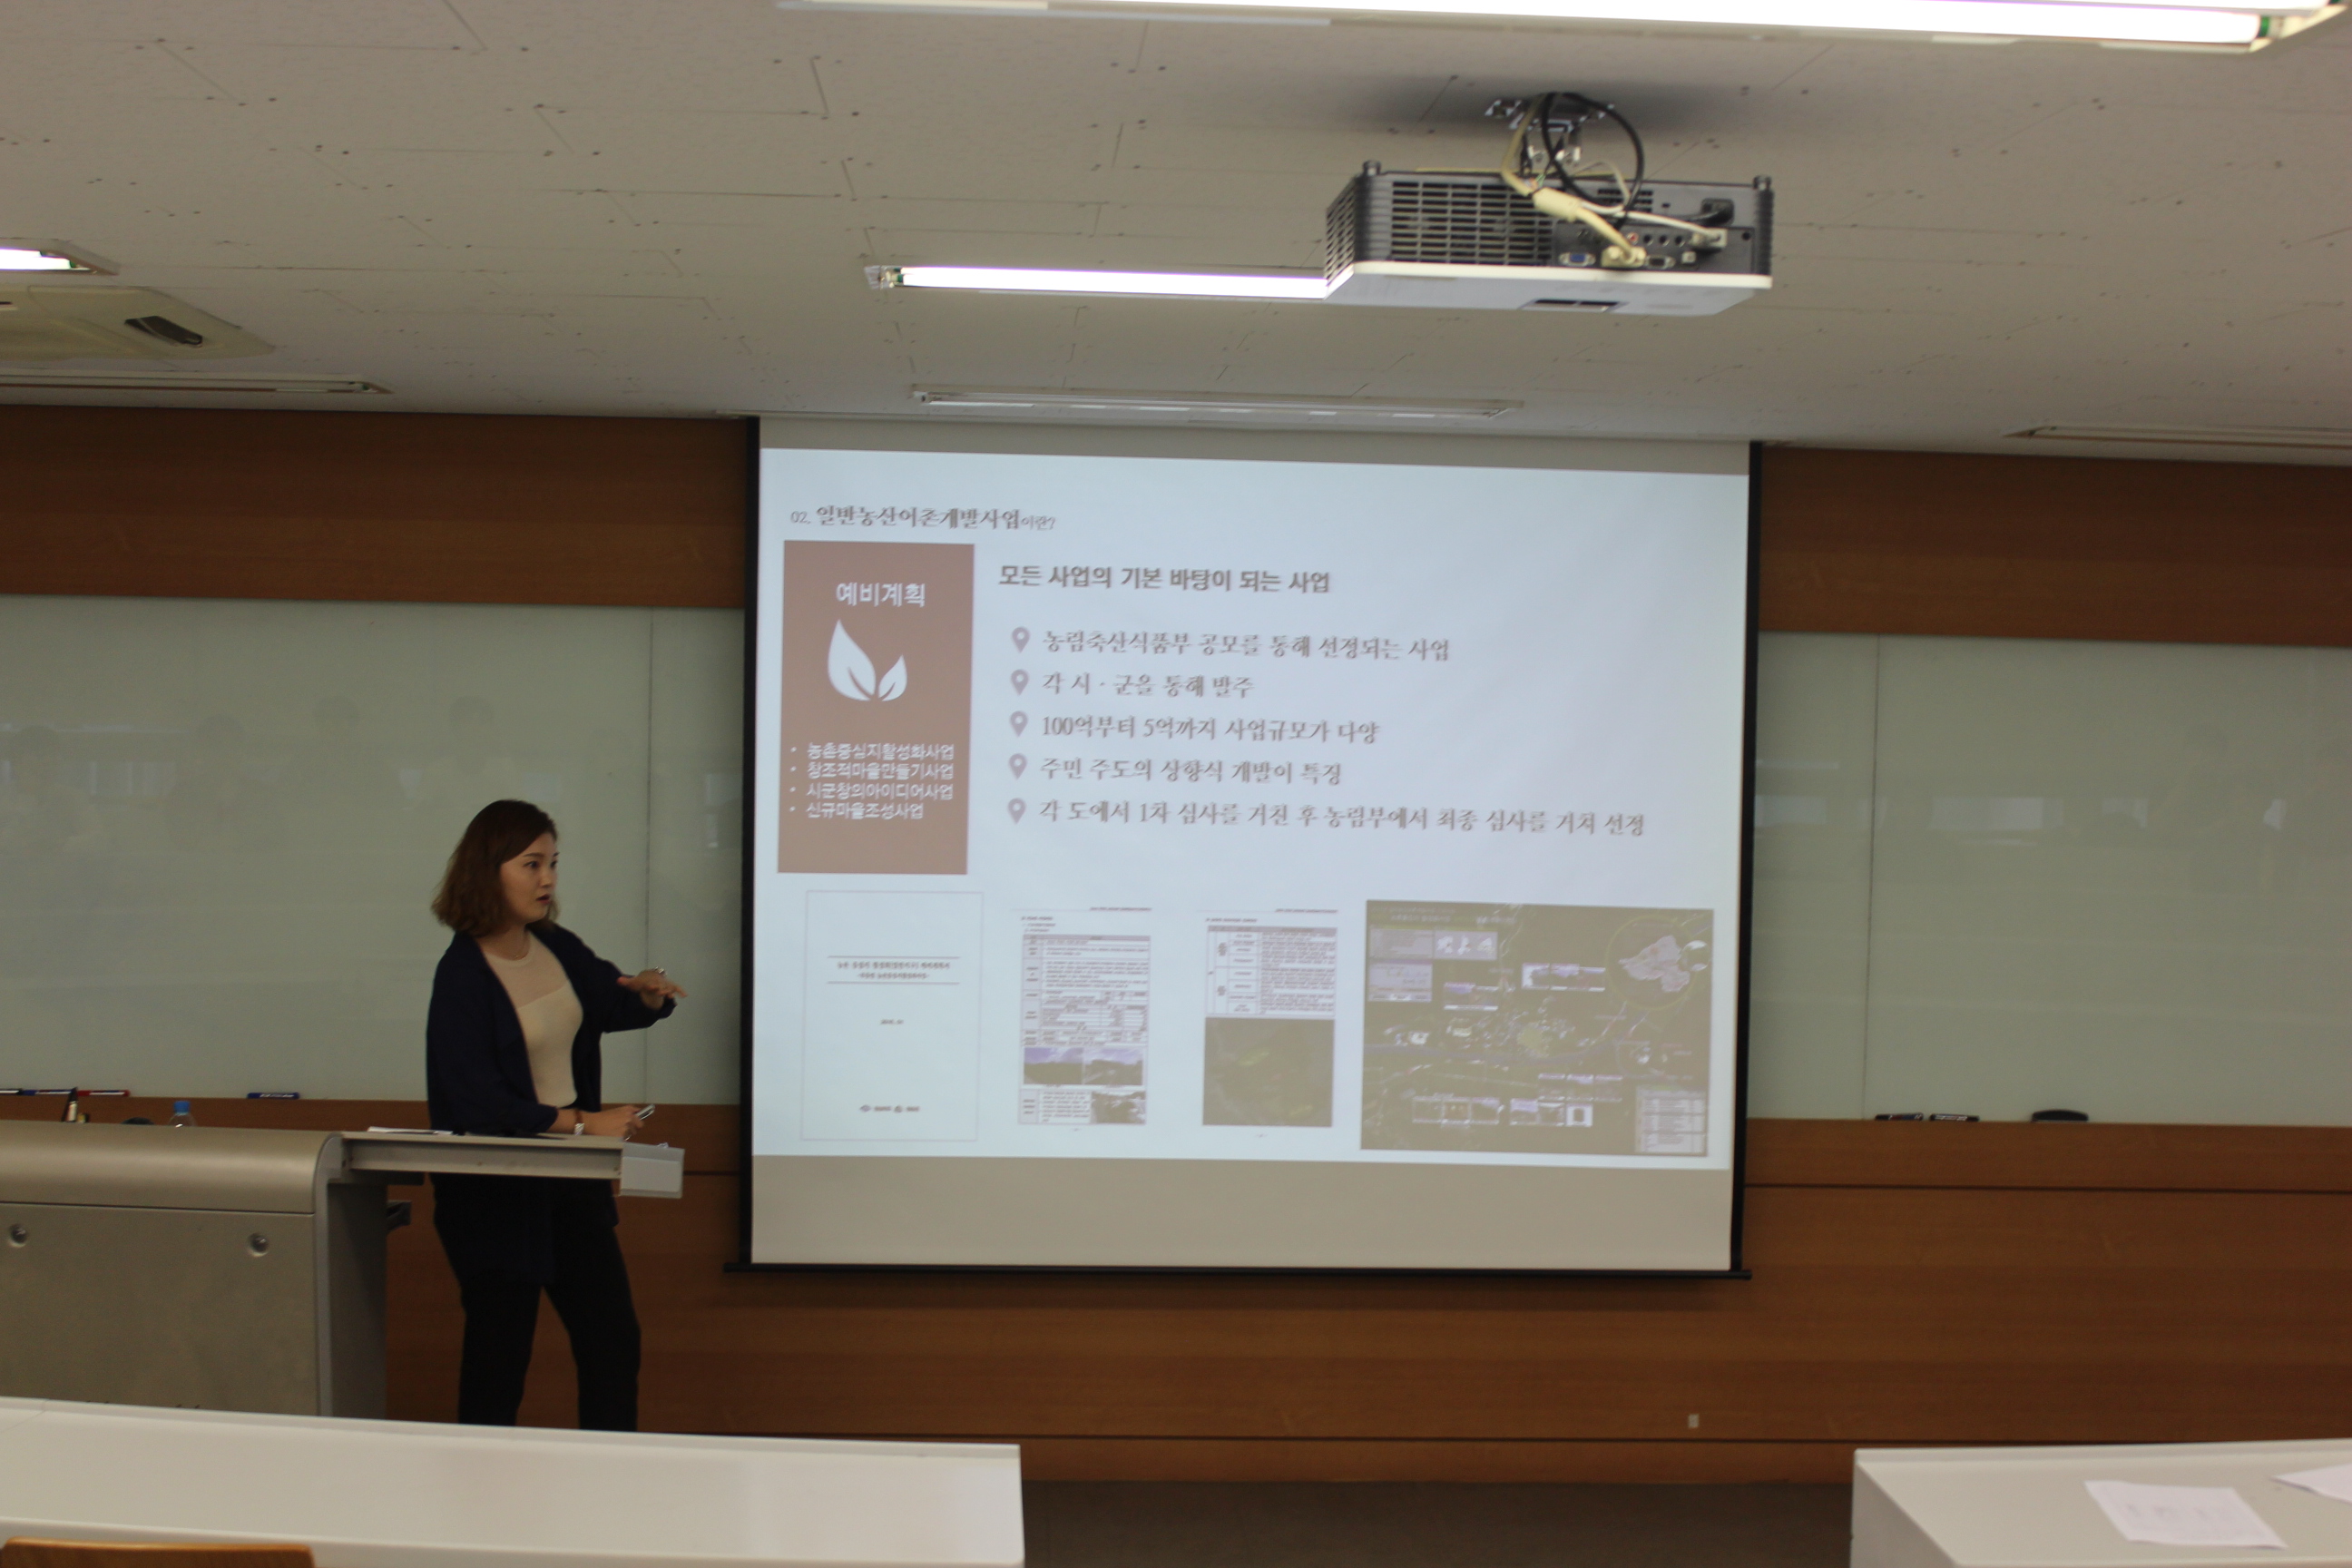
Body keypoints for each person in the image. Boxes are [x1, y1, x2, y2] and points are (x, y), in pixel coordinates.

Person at [425, 799, 687, 1430]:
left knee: (612, 1340)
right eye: (531, 864)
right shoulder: (462, 976)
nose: (547, 879)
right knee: (499, 1361)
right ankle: (481, 1484)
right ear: (488, 871)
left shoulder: (553, 944)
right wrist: (583, 1124)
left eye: (553, 864)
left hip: (570, 1185)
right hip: (497, 1193)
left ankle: (607, 1475)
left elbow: (609, 1000)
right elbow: (477, 1101)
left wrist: (648, 994)